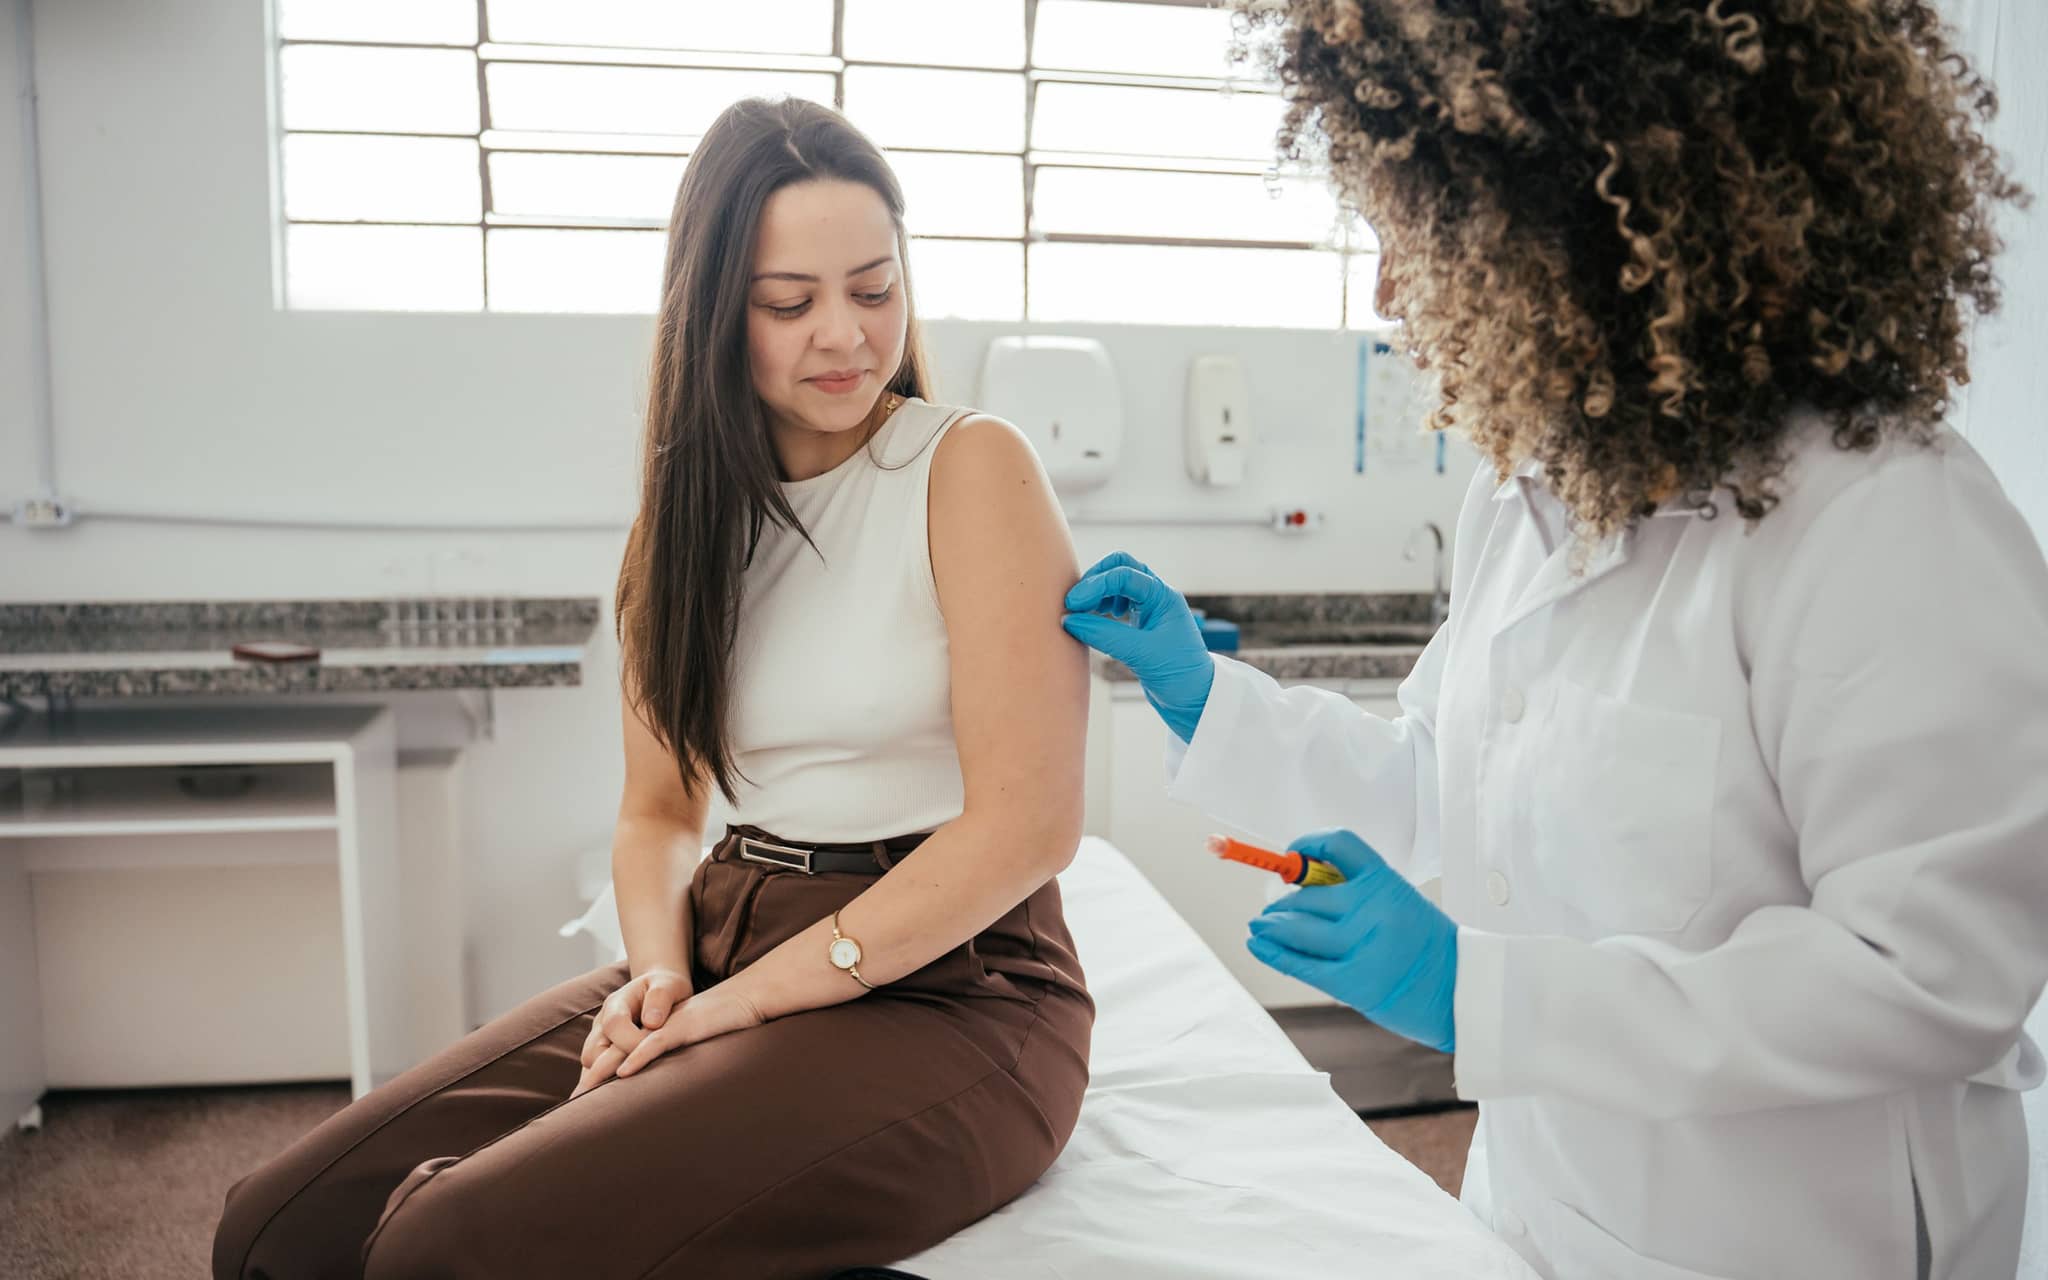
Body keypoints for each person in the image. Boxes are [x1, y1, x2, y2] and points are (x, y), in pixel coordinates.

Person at [1063, 2, 2047, 1277]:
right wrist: (1211, 700)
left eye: (1414, 234)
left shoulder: (1882, 518)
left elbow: (1925, 975)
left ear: (1584, 218)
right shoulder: (1530, 492)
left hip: (1788, 1237)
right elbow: (1447, 782)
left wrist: (1478, 993)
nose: (1387, 290)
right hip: (1533, 1211)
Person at [214, 97, 1093, 1279]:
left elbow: (1026, 826)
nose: (844, 333)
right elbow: (659, 812)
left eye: (873, 288)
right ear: (714, 308)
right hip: (731, 932)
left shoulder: (967, 467)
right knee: (274, 1229)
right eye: (789, 302)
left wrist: (744, 1005)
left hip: (957, 988)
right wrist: (664, 972)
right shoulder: (681, 530)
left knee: (439, 1244)